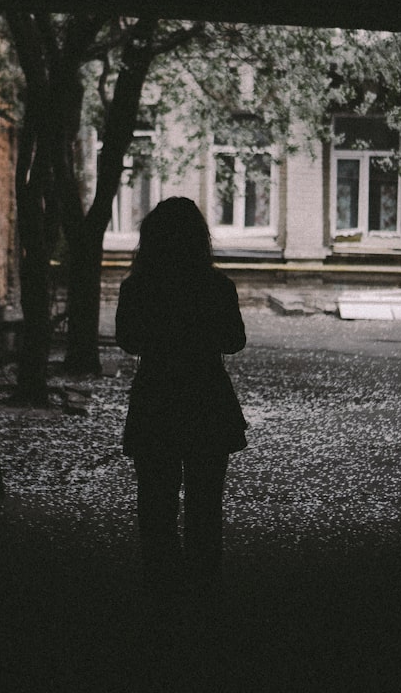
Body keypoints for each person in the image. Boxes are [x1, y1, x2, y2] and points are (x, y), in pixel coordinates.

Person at [115, 197, 247, 594]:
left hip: (156, 400)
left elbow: (128, 340)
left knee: (156, 505)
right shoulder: (217, 286)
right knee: (205, 507)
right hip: (207, 399)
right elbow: (235, 341)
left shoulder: (137, 287)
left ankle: (161, 589)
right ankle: (204, 591)